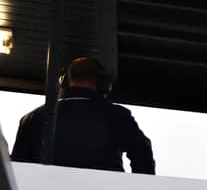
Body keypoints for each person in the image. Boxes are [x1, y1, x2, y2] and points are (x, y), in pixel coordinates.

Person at [11, 56, 155, 174]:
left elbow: (17, 167)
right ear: (103, 84)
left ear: (64, 82)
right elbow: (141, 151)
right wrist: (140, 189)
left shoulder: (31, 119)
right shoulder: (117, 115)